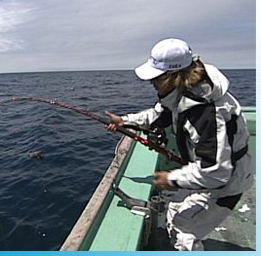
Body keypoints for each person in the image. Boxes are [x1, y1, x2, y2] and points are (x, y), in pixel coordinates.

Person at [105, 38, 253, 251]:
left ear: (173, 76)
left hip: (226, 183)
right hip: (209, 174)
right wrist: (124, 121)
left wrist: (172, 178)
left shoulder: (207, 114)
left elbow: (217, 172)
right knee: (174, 209)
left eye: (156, 77)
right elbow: (159, 115)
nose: (151, 82)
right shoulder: (182, 93)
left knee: (183, 232)